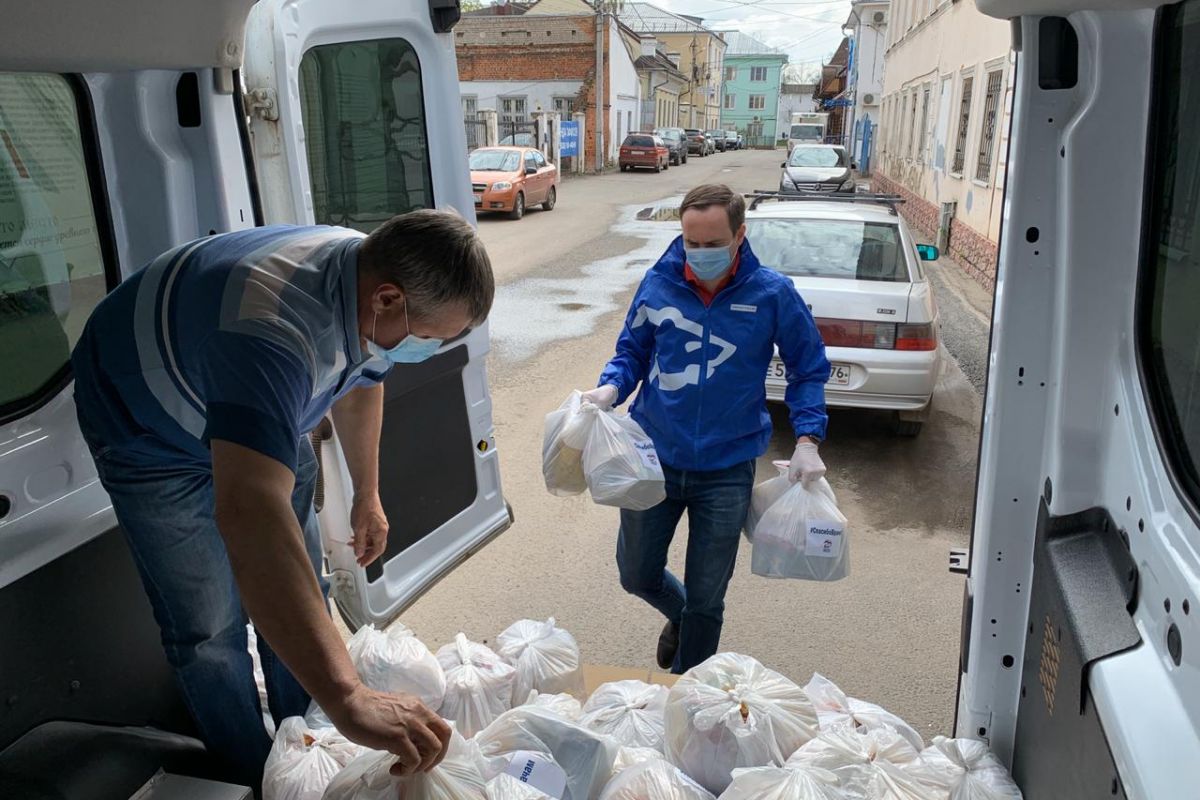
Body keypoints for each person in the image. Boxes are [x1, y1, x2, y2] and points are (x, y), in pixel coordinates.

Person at [70, 210, 494, 789]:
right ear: (388, 300)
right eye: (431, 339)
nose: (429, 349)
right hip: (146, 426)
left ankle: (309, 740)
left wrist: (367, 496)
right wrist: (351, 697)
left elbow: (364, 378)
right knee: (208, 627)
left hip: (259, 400)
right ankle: (256, 772)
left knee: (305, 583)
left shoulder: (364, 270)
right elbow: (250, 519)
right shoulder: (272, 334)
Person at [580, 184, 829, 674]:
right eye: (691, 243)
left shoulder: (772, 294)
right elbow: (633, 350)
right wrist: (611, 388)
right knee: (636, 574)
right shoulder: (659, 283)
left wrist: (807, 439)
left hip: (727, 469)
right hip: (654, 460)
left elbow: (808, 368)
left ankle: (688, 695)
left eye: (713, 245)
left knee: (708, 597)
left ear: (740, 234)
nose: (700, 254)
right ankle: (681, 618)